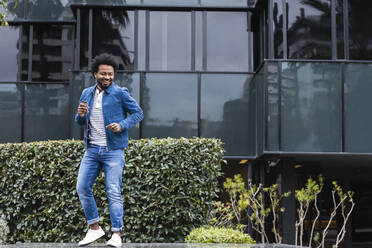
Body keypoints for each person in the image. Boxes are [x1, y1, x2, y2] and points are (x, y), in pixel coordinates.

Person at [75, 53, 143, 247]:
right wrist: (80, 115)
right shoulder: (86, 93)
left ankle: (117, 234)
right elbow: (79, 120)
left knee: (113, 190)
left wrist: (121, 125)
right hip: (92, 150)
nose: (107, 77)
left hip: (113, 151)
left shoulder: (120, 93)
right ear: (95, 74)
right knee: (82, 187)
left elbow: (138, 113)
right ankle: (94, 228)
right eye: (103, 74)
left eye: (110, 74)